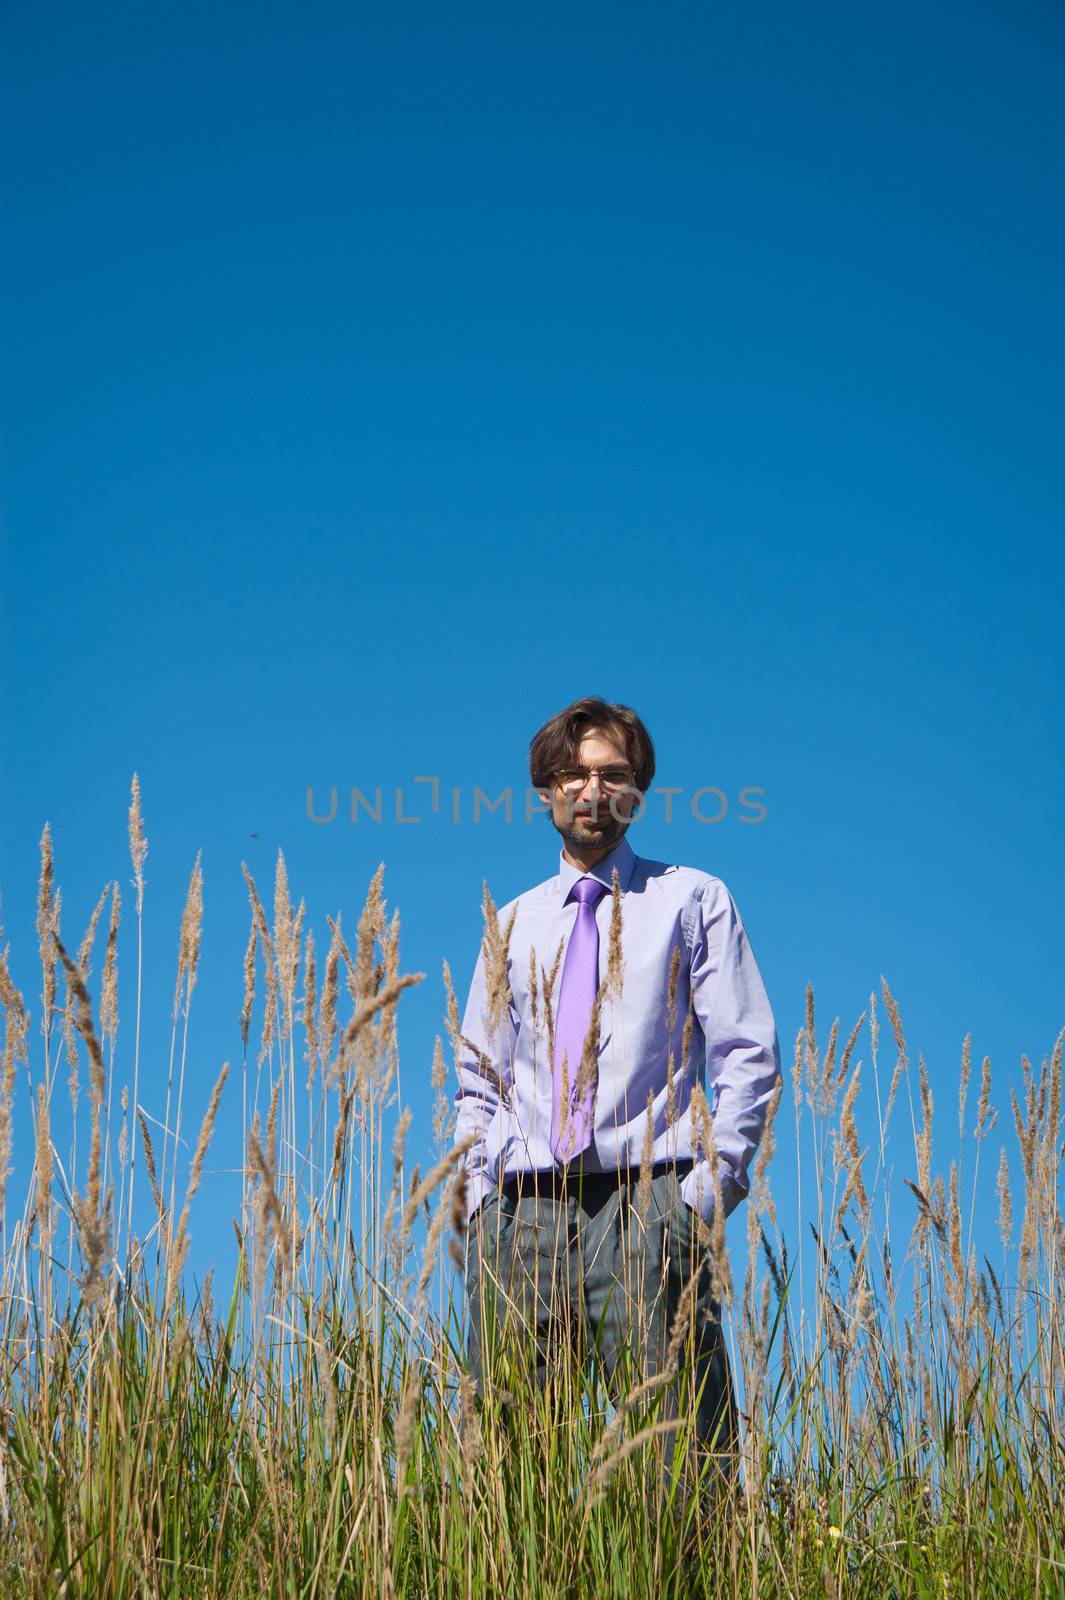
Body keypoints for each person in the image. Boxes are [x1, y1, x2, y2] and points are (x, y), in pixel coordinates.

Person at [455, 695, 780, 1515]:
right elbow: (478, 1081)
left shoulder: (691, 899)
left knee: (680, 1463)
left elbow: (746, 1054)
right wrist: (474, 1204)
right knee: (502, 1470)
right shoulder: (512, 923)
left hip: (648, 1205)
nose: (592, 790)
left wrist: (699, 1199)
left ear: (638, 793)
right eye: (573, 773)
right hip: (521, 1215)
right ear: (544, 791)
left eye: (614, 775)